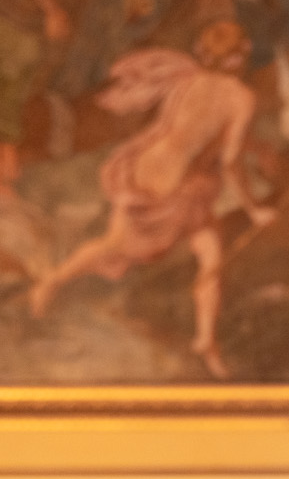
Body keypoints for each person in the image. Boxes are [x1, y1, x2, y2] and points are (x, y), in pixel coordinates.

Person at [27, 20, 274, 378]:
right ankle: (53, 279)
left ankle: (205, 339)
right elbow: (229, 158)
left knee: (209, 255)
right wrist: (253, 208)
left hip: (153, 168)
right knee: (123, 246)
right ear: (241, 56)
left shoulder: (190, 80)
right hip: (180, 184)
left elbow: (197, 130)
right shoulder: (241, 97)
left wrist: (257, 147)